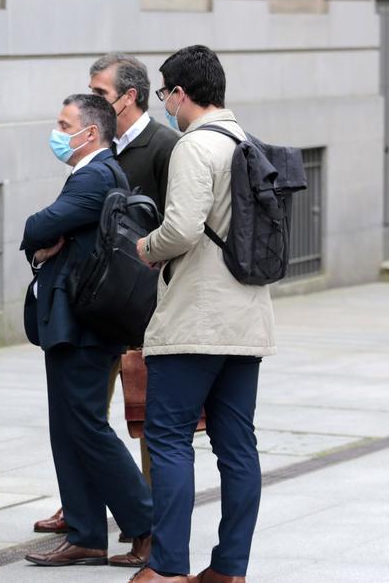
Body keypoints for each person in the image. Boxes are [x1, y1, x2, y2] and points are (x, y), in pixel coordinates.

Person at [131, 45, 274, 583]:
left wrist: (145, 249)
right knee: (237, 446)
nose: (166, 103)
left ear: (180, 94)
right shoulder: (247, 141)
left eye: (166, 93)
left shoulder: (196, 147)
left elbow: (183, 230)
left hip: (196, 320)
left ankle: (166, 568)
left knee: (167, 438)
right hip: (246, 318)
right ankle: (230, 569)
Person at [20, 94, 154, 569]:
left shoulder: (96, 176)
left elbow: (39, 225)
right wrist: (40, 252)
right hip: (75, 322)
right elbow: (46, 239)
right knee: (70, 428)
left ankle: (145, 524)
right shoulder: (93, 173)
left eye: (63, 124)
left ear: (90, 133)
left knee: (86, 427)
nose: (56, 132)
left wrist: (38, 243)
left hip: (84, 325)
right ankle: (86, 533)